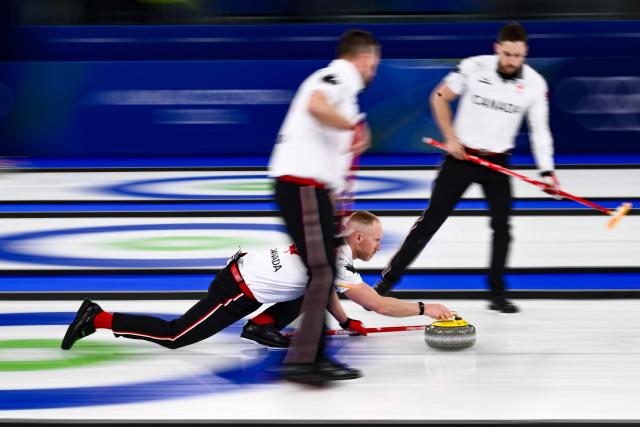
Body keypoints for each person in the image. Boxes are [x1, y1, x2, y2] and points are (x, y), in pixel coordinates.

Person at [60, 212, 453, 363]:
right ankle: (98, 318)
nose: (380, 246)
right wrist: (425, 307)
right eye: (377, 239)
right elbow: (379, 306)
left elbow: (325, 288)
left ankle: (262, 325)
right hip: (236, 288)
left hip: (247, 276)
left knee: (312, 287)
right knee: (175, 335)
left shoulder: (331, 253)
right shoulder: (336, 259)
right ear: (357, 237)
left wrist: (344, 321)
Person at [374, 22, 560, 314]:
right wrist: (450, 138)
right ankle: (387, 283)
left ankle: (497, 293)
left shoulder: (535, 84)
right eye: (508, 54)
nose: (512, 61)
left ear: (525, 53)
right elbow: (439, 97)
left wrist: (547, 172)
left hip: (497, 162)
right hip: (460, 157)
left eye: (518, 56)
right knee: (431, 221)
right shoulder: (474, 67)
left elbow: (540, 131)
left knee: (503, 227)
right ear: (498, 48)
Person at [267, 28, 380, 384]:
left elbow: (328, 156)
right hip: (300, 186)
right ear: (361, 59)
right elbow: (316, 104)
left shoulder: (345, 92)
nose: (372, 72)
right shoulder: (339, 76)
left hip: (310, 189)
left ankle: (310, 356)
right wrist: (354, 128)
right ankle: (305, 360)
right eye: (373, 64)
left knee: (323, 269)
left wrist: (335, 212)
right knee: (322, 271)